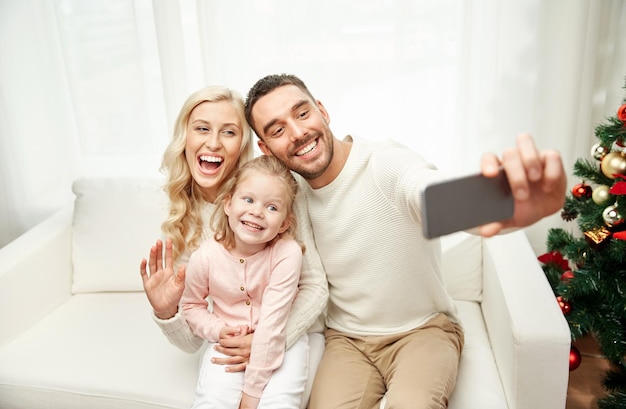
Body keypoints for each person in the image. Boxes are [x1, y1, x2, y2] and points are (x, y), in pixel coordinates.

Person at [243, 73, 567, 409]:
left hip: (424, 331)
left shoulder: (383, 162)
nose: (298, 133)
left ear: (322, 110)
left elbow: (426, 192)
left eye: (302, 113)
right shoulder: (288, 198)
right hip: (347, 340)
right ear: (266, 150)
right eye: (277, 130)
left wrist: (500, 205)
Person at [139, 86, 327, 391]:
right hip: (235, 341)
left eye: (228, 132)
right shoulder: (179, 222)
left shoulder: (275, 191)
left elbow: (314, 286)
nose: (213, 143)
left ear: (242, 144)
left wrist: (266, 341)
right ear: (184, 138)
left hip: (294, 335)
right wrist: (166, 312)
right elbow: (191, 341)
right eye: (202, 129)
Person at [181, 155, 307, 409]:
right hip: (228, 343)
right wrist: (218, 330)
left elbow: (272, 326)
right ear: (228, 204)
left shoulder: (286, 253)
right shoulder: (205, 256)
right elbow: (190, 307)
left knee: (280, 403)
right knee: (211, 402)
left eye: (272, 207)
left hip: (280, 339)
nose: (257, 212)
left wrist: (250, 396)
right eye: (248, 200)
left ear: (284, 223)